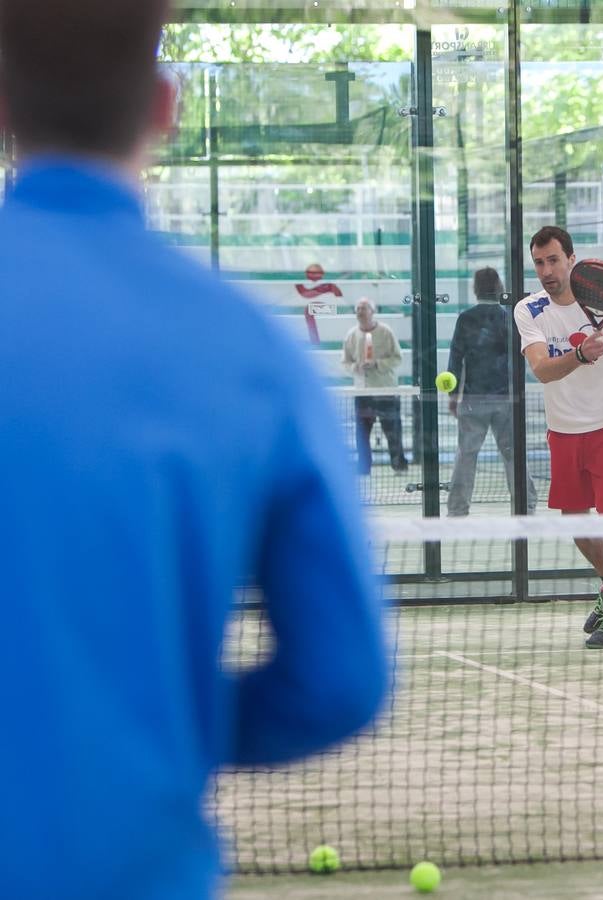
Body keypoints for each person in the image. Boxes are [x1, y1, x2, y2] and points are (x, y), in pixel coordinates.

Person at [0, 3, 390, 898]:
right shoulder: (249, 350)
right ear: (163, 105)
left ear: (2, 102)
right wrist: (148, 723)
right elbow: (339, 682)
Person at [514, 226, 603, 649]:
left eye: (553, 260)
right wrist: (580, 354)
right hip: (564, 433)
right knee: (575, 524)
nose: (546, 270)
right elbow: (541, 369)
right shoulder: (529, 310)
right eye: (539, 262)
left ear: (572, 259)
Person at [444, 267, 537, 515]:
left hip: (473, 399)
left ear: (475, 288)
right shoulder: (510, 317)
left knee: (466, 455)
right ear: (499, 287)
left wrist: (454, 397)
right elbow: (520, 358)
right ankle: (526, 505)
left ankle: (457, 509)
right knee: (513, 455)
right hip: (506, 398)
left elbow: (455, 358)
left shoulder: (465, 318)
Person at [342, 297, 409, 474]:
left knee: (393, 430)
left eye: (364, 308)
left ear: (372, 311)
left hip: (386, 390)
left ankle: (399, 465)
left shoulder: (386, 332)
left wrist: (378, 364)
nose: (360, 312)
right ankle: (363, 467)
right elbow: (346, 362)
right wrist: (355, 367)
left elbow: (397, 357)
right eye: (357, 309)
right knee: (362, 433)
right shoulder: (351, 335)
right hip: (363, 391)